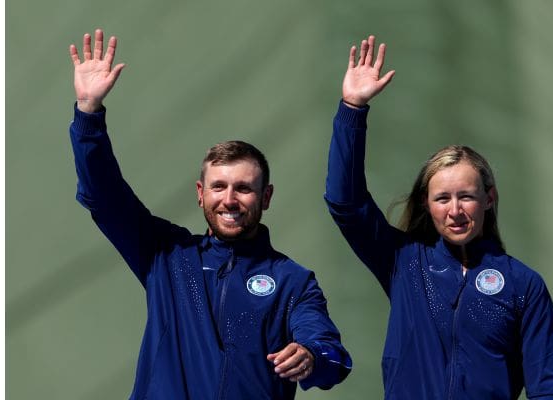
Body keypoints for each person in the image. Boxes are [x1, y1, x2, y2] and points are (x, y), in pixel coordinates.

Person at [68, 29, 352, 400]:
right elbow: (104, 198)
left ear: (266, 197)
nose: (230, 200)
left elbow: (333, 354)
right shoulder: (166, 254)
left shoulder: (292, 282)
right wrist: (89, 114)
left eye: (244, 188)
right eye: (219, 187)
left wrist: (312, 355)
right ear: (201, 195)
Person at [324, 35, 553, 399]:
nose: (454, 210)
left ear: (489, 198)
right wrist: (352, 109)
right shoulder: (404, 263)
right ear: (427, 204)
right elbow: (345, 202)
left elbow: (549, 388)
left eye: (466, 197)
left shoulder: (524, 286)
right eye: (442, 198)